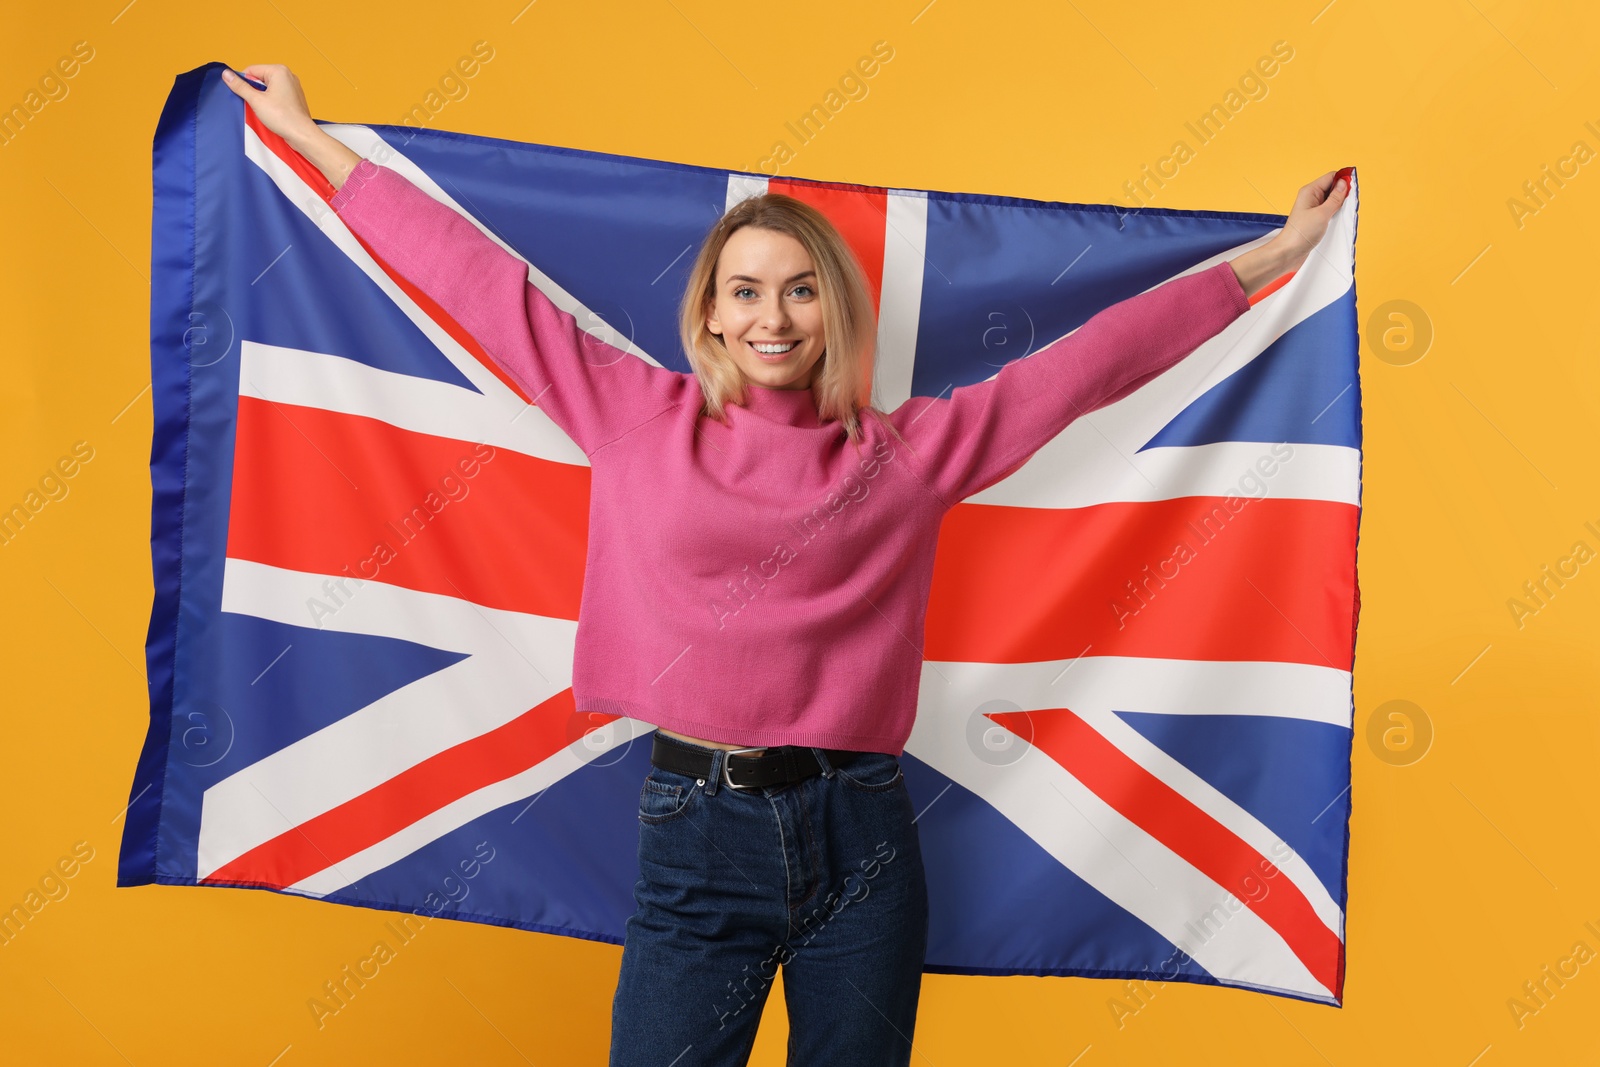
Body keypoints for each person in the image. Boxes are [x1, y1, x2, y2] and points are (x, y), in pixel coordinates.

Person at [224, 62, 1348, 1067]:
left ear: (835, 309)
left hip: (860, 836)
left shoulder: (908, 453)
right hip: (692, 829)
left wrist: (1278, 254)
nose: (775, 315)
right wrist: (312, 143)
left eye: (801, 288)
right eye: (747, 290)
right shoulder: (629, 413)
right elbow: (477, 285)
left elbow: (1090, 364)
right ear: (708, 315)